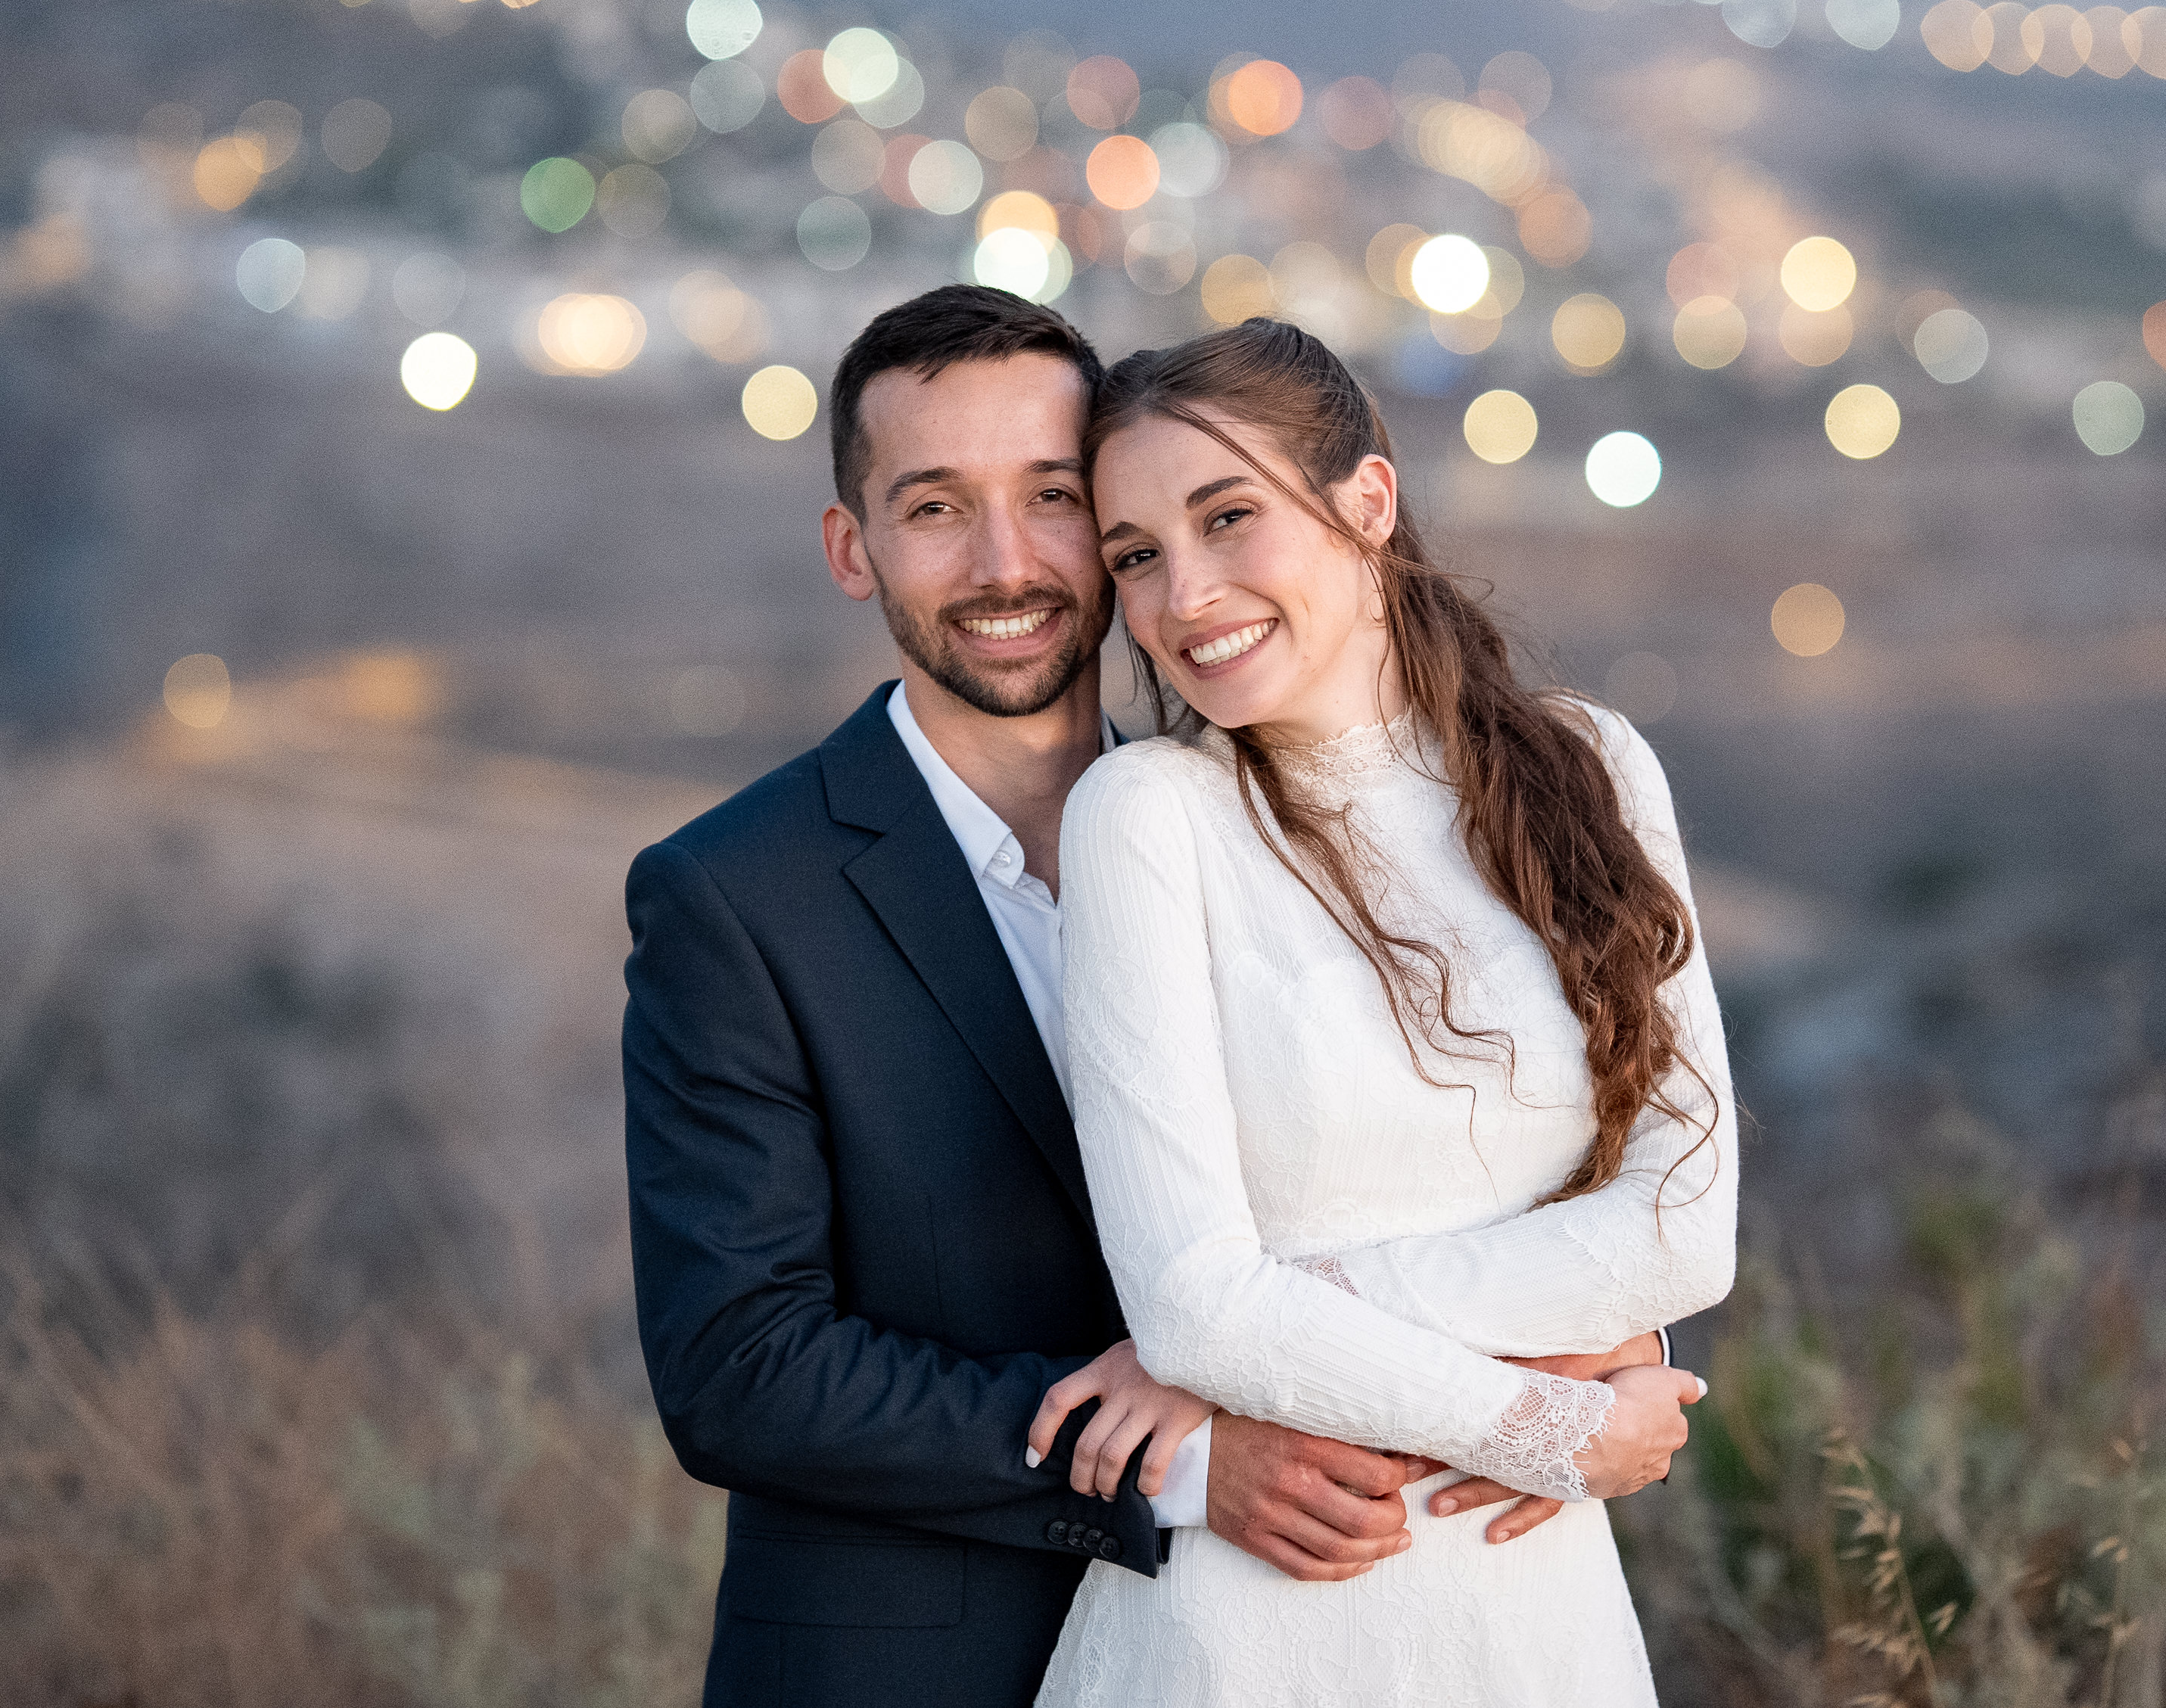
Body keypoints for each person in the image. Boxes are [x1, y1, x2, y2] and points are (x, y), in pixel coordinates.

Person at [621, 287, 1660, 1708]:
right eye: (935, 508)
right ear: (852, 548)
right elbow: (742, 1367)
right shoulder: (737, 895)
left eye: (1053, 497)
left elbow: (1442, 1162)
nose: (1006, 562)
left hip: (1294, 1645)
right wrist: (1183, 1460)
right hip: (915, 1667)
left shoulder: (1277, 826)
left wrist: (1593, 1343)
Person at [1032, 319, 1740, 1706]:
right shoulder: (1150, 817)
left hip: (1535, 1621)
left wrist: (1284, 1323)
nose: (1185, 594)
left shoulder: (1593, 768)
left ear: (1367, 501)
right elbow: (1190, 1309)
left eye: (1227, 517)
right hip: (1258, 1626)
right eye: (1136, 556)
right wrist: (1551, 1425)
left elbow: (1681, 1226)